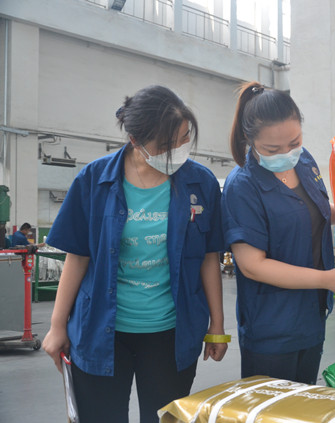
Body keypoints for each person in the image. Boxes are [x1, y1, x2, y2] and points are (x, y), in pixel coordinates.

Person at [42, 85, 228, 423]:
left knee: (163, 418)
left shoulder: (200, 183)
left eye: (185, 138)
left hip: (170, 332)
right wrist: (57, 326)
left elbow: (208, 257)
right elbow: (78, 257)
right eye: (166, 145)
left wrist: (217, 324)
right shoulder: (94, 180)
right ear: (134, 141)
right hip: (101, 329)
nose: (178, 150)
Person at [221, 82, 335, 385]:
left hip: (312, 316)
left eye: (294, 142)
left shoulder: (304, 162)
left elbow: (313, 210)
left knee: (304, 401)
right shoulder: (243, 186)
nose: (286, 153)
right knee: (272, 406)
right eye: (273, 149)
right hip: (272, 327)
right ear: (250, 139)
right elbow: (252, 265)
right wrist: (327, 279)